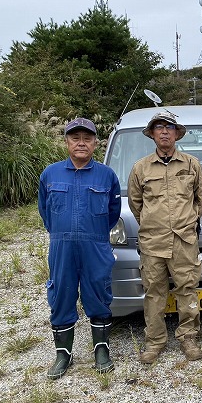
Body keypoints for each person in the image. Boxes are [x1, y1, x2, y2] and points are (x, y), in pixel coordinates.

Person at [38, 117, 121, 380]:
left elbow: (113, 212)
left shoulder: (107, 175)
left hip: (95, 244)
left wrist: (93, 233)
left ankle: (101, 350)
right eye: (76, 138)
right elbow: (45, 212)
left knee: (98, 293)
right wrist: (62, 232)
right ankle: (63, 354)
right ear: (67, 142)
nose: (81, 143)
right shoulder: (50, 174)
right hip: (61, 246)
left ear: (96, 143)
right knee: (61, 294)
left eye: (87, 138)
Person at [128, 110, 202, 362]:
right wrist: (154, 224)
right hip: (152, 242)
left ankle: (188, 337)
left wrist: (187, 222)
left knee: (187, 289)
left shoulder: (191, 164)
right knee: (154, 292)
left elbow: (200, 199)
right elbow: (136, 204)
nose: (164, 132)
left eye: (169, 127)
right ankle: (154, 342)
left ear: (176, 133)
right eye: (159, 127)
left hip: (184, 240)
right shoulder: (140, 168)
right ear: (152, 134)